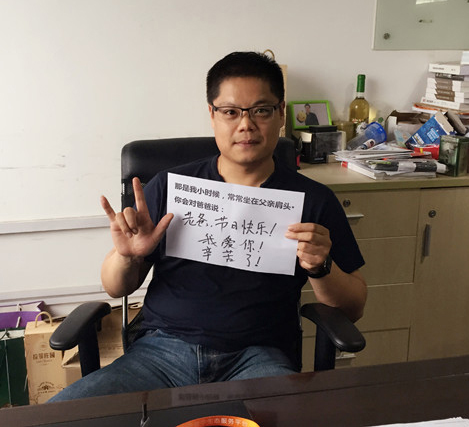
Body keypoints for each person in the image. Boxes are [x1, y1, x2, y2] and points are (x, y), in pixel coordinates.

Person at [50, 51, 366, 401]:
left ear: (280, 114)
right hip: (160, 354)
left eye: (261, 110)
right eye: (230, 112)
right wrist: (129, 257)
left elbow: (353, 307)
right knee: (61, 416)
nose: (245, 125)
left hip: (258, 358)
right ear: (212, 115)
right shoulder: (171, 187)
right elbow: (114, 287)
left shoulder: (313, 200)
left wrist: (321, 267)